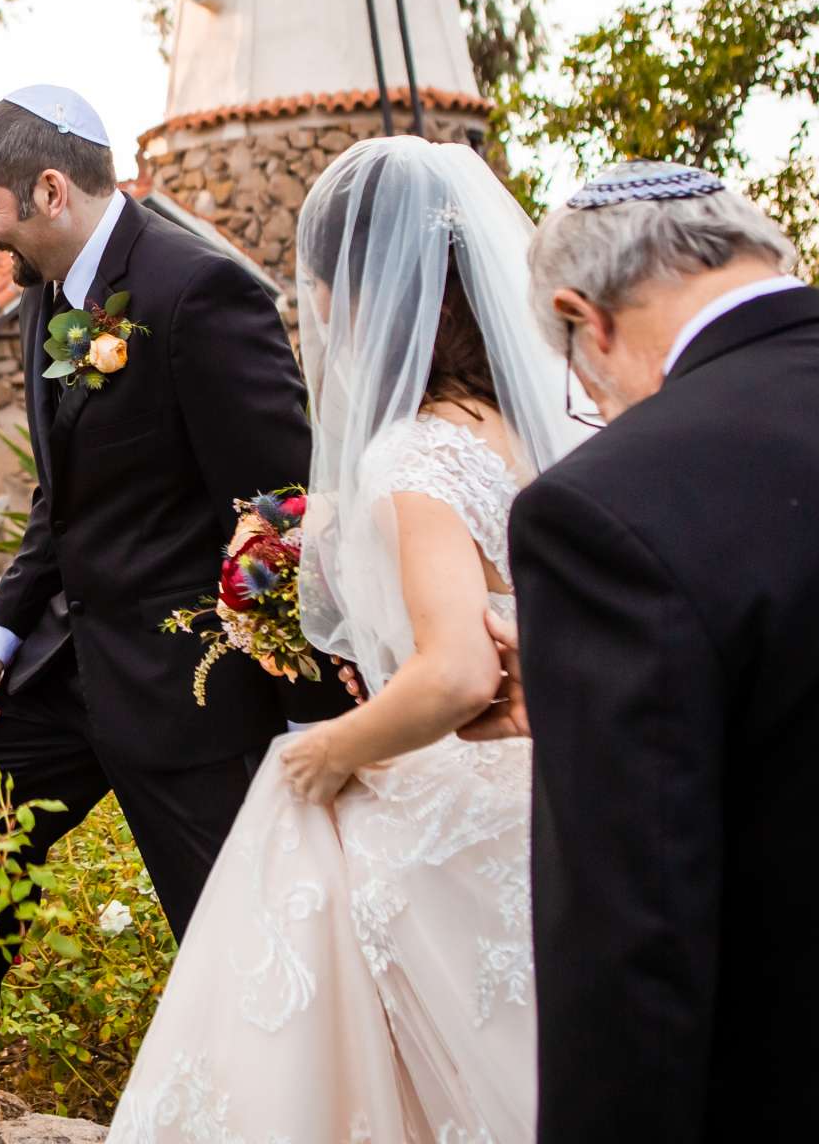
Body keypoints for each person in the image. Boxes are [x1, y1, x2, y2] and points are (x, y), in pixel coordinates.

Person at [0, 87, 350, 1143]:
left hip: (193, 693)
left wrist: (294, 705)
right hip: (69, 677)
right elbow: (61, 504)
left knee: (230, 931)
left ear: (50, 187)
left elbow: (282, 504)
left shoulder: (200, 293)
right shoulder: (46, 294)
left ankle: (284, 1120)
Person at [492, 161, 819, 1142]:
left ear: (586, 317)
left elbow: (629, 948)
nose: (597, 405)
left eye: (581, 380)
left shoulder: (606, 505)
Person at [108, 136, 584, 1143]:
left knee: (292, 829)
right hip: (551, 793)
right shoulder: (526, 427)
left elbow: (457, 669)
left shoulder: (416, 453)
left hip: (453, 799)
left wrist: (324, 749)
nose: (318, 306)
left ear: (360, 288)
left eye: (321, 282)